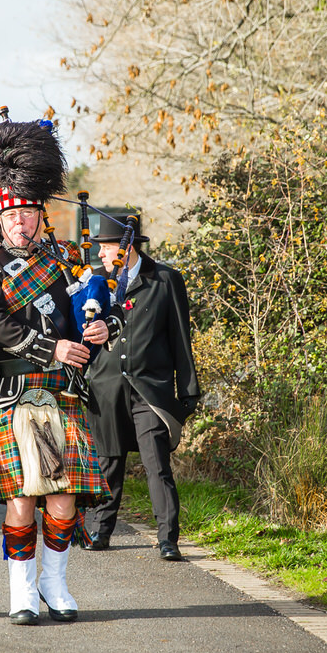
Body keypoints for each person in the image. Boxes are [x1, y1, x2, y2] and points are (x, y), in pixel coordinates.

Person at [0, 118, 113, 625]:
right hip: (10, 393)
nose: (19, 224)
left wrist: (101, 327)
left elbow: (103, 308)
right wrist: (56, 347)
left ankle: (56, 580)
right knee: (23, 497)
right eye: (11, 217)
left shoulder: (69, 262)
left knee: (64, 496)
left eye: (26, 214)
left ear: (41, 215)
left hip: (61, 392)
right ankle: (22, 592)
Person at [84, 211, 200, 560]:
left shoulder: (165, 280)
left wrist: (188, 391)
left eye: (106, 248)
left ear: (126, 247)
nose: (101, 255)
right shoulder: (94, 284)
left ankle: (168, 539)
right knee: (108, 462)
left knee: (157, 464)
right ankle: (100, 531)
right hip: (104, 388)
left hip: (150, 389)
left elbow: (181, 338)